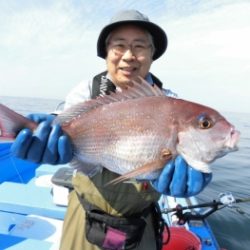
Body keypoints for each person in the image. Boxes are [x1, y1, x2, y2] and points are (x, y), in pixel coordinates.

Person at [11, 10, 212, 250]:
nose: (129, 56)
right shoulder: (86, 91)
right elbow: (65, 116)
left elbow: (192, 143)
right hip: (84, 216)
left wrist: (198, 168)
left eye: (140, 46)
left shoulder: (170, 102)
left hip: (141, 221)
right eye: (119, 46)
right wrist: (47, 132)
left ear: (151, 54)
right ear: (106, 53)